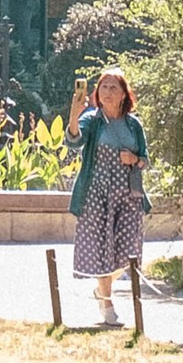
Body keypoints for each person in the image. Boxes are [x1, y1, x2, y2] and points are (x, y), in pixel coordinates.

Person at [68, 65, 149, 325]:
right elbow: (74, 140)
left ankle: (100, 289)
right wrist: (74, 113)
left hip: (128, 194)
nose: (108, 92)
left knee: (128, 254)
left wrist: (134, 158)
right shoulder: (92, 120)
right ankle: (107, 304)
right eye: (104, 86)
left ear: (125, 94)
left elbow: (146, 160)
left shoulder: (133, 125)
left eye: (114, 87)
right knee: (103, 249)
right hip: (97, 195)